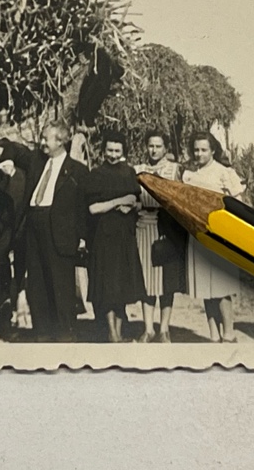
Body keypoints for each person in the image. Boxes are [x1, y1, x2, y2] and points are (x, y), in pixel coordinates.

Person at [3, 120, 89, 342]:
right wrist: (8, 159)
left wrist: (81, 237)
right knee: (37, 282)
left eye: (46, 139)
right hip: (33, 226)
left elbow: (82, 206)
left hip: (60, 232)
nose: (42, 142)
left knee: (61, 283)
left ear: (60, 142)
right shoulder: (36, 161)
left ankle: (65, 333)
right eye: (41, 137)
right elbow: (11, 146)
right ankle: (42, 332)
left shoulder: (77, 170)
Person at [181, 131, 244, 343]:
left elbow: (238, 204)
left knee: (221, 285)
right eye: (196, 150)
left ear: (213, 150)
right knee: (204, 287)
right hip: (198, 233)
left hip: (219, 234)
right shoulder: (188, 174)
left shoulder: (224, 173)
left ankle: (229, 333)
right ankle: (213, 334)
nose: (199, 154)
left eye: (203, 150)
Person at [83, 133, 146, 342]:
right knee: (108, 287)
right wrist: (118, 201)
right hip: (104, 236)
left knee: (121, 287)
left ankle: (118, 333)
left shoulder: (129, 173)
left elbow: (137, 202)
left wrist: (131, 206)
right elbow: (93, 208)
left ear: (123, 152)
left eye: (117, 151)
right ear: (103, 151)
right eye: (109, 150)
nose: (112, 155)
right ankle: (112, 333)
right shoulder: (96, 174)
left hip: (125, 236)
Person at [133, 132, 185, 342]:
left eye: (158, 146)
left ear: (165, 148)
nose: (153, 150)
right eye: (150, 145)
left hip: (166, 230)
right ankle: (148, 328)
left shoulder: (174, 170)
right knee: (146, 281)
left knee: (166, 281)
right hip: (143, 226)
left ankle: (164, 328)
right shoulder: (137, 170)